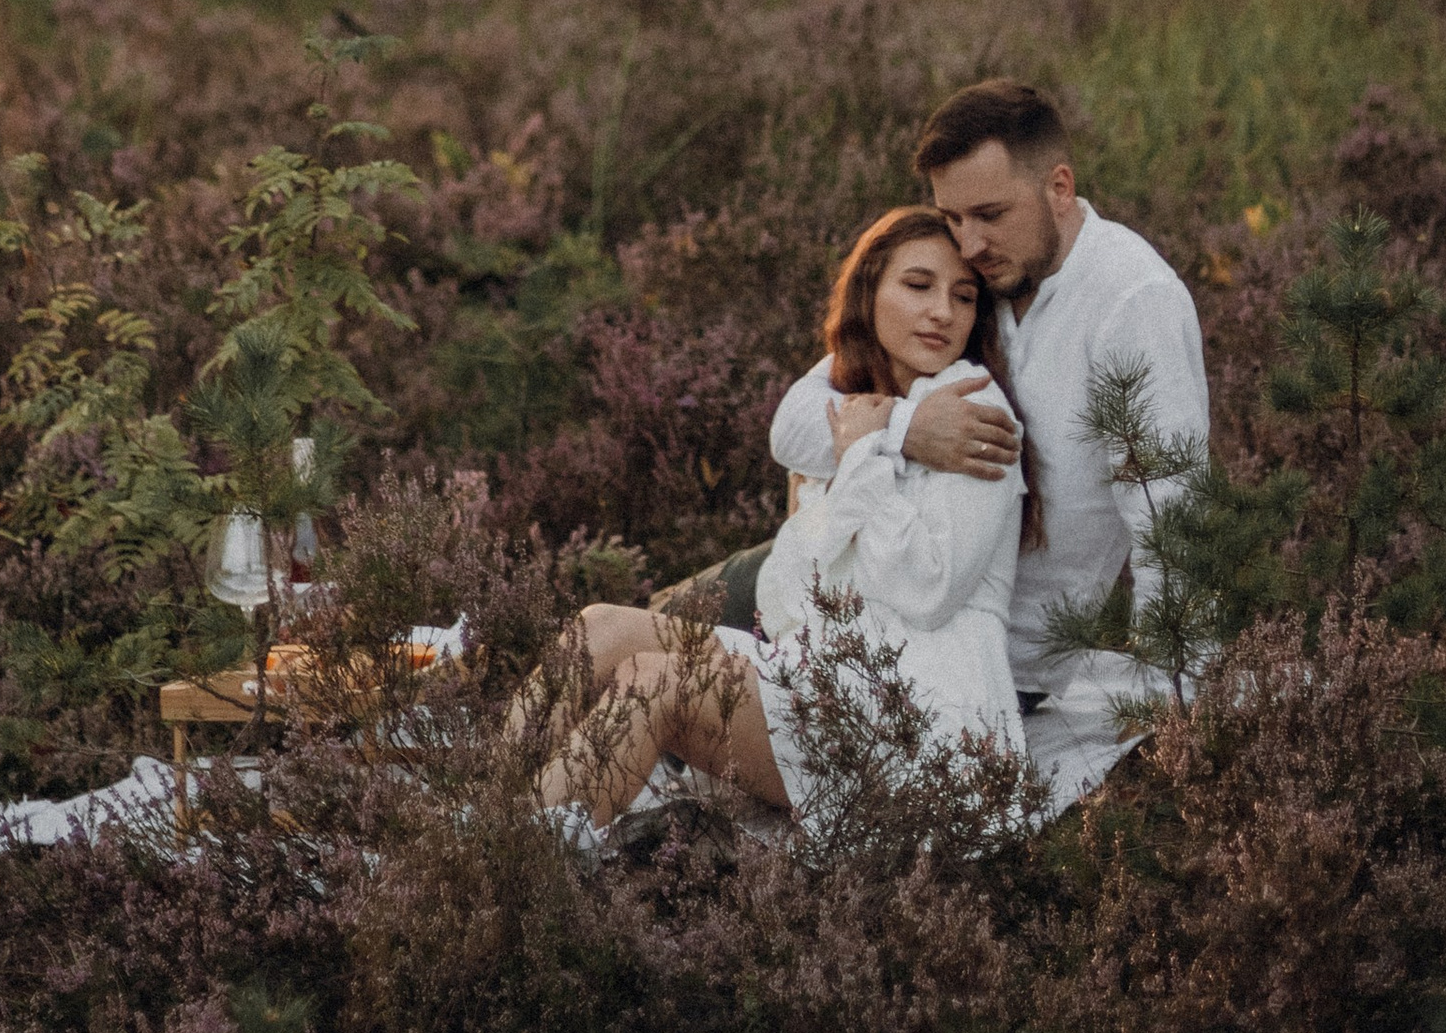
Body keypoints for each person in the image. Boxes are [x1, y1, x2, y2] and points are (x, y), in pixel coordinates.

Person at [768, 78, 1210, 806]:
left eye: (990, 215)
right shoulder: (975, 285)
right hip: (854, 579)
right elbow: (794, 422)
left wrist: (1183, 720)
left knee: (656, 677)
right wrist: (913, 431)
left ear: (1059, 188)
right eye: (952, 217)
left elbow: (1174, 520)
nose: (967, 245)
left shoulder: (1133, 303)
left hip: (979, 660)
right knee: (622, 640)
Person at [512, 208, 1026, 829]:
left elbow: (927, 591)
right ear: (869, 294)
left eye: (963, 296)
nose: (943, 311)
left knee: (656, 680)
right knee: (601, 629)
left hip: (925, 715)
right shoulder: (855, 404)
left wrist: (865, 453)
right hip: (831, 672)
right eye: (918, 286)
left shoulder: (976, 411)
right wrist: (889, 433)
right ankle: (469, 816)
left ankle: (512, 860)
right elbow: (792, 584)